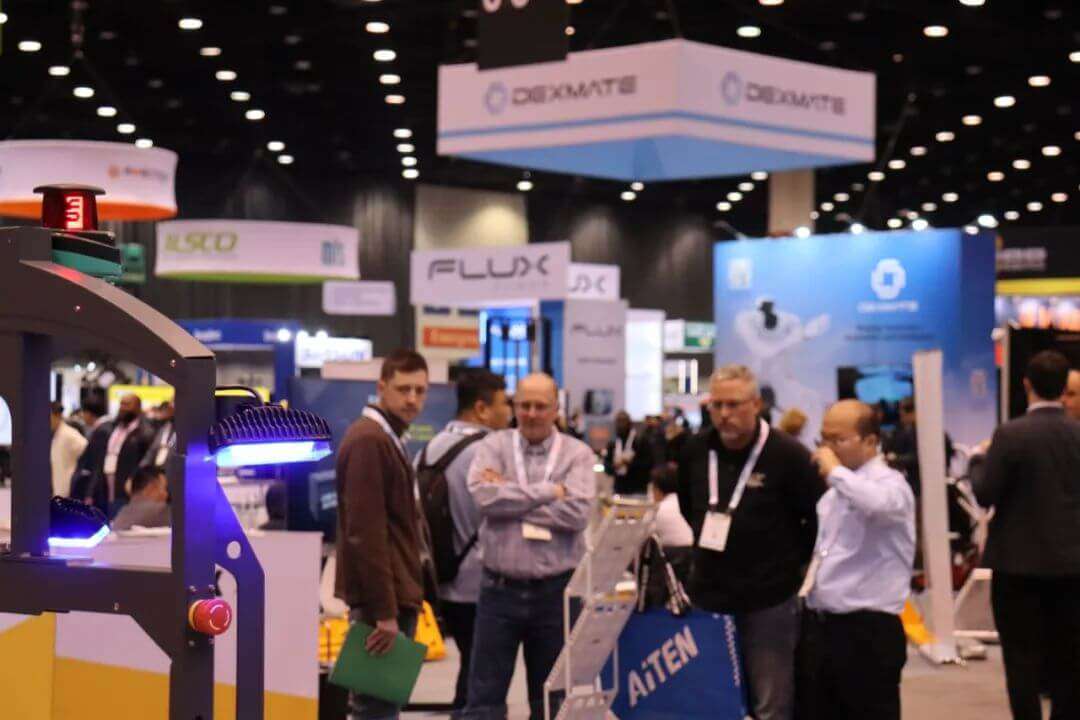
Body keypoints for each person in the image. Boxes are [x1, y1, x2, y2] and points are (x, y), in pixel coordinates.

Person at [677, 364, 823, 720]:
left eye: (734, 404)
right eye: (717, 405)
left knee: (770, 704)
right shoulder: (695, 450)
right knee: (713, 700)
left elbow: (816, 518)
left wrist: (791, 568)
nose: (724, 414)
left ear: (756, 404)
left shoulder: (788, 455)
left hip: (769, 599)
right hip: (709, 596)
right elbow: (687, 505)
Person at [463, 372, 596, 720]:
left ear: (555, 409)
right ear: (513, 406)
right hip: (498, 592)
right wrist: (550, 492)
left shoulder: (578, 454)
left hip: (557, 594)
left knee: (552, 701)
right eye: (524, 405)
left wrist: (509, 497)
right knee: (484, 700)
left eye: (540, 406)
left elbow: (578, 514)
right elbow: (484, 497)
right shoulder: (493, 446)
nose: (532, 413)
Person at [970, 350, 1080, 720]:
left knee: (1020, 659)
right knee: (1070, 657)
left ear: (1026, 384)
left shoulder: (1010, 434)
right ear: (1064, 388)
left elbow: (985, 493)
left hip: (1016, 567)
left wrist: (977, 460)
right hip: (1072, 567)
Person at [800, 400, 915, 720]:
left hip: (868, 630)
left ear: (870, 441)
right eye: (823, 439)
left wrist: (835, 471)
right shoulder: (834, 493)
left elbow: (877, 504)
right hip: (823, 624)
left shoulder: (891, 485)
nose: (827, 450)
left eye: (837, 440)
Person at [334, 349, 430, 720]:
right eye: (404, 389)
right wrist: (384, 613)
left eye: (420, 390)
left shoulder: (386, 437)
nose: (412, 399)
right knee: (375, 709)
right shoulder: (369, 440)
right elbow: (365, 534)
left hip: (392, 594)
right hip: (381, 603)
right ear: (381, 387)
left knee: (380, 706)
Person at [421, 369, 513, 715]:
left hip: (441, 580)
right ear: (482, 409)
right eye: (504, 403)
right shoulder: (488, 453)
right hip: (479, 583)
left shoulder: (430, 449)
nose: (510, 411)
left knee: (471, 667)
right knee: (482, 677)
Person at [86, 393, 155, 517]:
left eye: (127, 404)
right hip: (105, 487)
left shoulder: (146, 432)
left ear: (138, 407)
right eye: (121, 404)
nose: (122, 408)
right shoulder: (111, 428)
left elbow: (145, 463)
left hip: (127, 489)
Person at [882, 396, 954, 496]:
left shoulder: (924, 431)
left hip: (926, 484)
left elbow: (921, 457)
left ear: (913, 412)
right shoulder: (911, 430)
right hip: (924, 482)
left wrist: (896, 459)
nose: (901, 417)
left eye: (902, 414)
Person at [70, 400, 111, 501]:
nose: (82, 416)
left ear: (88, 413)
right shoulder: (105, 427)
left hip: (98, 489)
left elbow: (98, 463)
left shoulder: (101, 431)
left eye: (83, 413)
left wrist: (90, 493)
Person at [604, 410, 652, 496]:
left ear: (629, 423)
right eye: (618, 421)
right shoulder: (613, 443)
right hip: (619, 489)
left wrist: (628, 462)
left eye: (623, 421)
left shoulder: (640, 441)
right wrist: (614, 465)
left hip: (638, 489)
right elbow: (607, 467)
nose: (620, 425)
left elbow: (648, 464)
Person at [111, 465, 171, 531]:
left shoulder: (122, 513)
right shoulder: (161, 511)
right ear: (151, 488)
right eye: (164, 488)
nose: (166, 494)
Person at [50, 402, 87, 498]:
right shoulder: (56, 435)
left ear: (57, 416)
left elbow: (87, 452)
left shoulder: (70, 434)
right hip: (59, 489)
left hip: (69, 490)